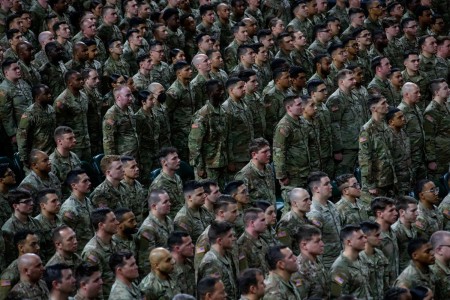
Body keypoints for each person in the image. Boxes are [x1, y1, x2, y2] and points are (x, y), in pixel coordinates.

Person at [188, 79, 228, 187]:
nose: (222, 92)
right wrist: (200, 167)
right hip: (207, 165)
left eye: (222, 90)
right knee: (207, 196)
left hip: (221, 162)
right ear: (211, 93)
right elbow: (194, 144)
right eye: (218, 90)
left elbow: (226, 138)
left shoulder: (222, 112)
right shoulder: (202, 115)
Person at [326, 69, 366, 176]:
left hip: (357, 143)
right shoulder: (336, 99)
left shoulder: (355, 95)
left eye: (354, 78)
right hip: (346, 148)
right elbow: (334, 126)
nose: (354, 81)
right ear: (341, 82)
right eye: (351, 79)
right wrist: (337, 150)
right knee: (344, 176)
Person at [359, 94, 396, 201]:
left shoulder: (385, 125)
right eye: (383, 103)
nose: (387, 105)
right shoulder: (367, 130)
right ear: (374, 108)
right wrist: (370, 184)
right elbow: (365, 159)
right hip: (376, 180)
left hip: (388, 177)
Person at [273, 95, 313, 188]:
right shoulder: (284, 126)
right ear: (288, 108)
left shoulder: (302, 121)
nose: (302, 107)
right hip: (293, 174)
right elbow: (278, 152)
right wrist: (282, 176)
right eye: (298, 104)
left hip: (306, 171)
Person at [307, 171, 342, 270]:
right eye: (326, 184)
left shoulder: (330, 204)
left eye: (330, 183)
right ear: (316, 189)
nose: (331, 186)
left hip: (338, 258)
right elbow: (313, 242)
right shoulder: (314, 212)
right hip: (326, 264)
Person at [53, 69, 91, 161]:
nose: (82, 81)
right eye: (78, 80)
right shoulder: (62, 100)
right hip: (72, 143)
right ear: (70, 82)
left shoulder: (84, 96)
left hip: (86, 140)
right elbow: (59, 125)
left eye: (82, 79)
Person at [81, 208, 119, 299]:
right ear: (101, 225)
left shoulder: (113, 242)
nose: (117, 222)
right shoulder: (92, 251)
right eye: (112, 220)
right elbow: (94, 284)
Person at [16, 84, 56, 169]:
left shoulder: (51, 109)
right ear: (37, 97)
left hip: (52, 152)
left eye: (50, 93)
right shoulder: (30, 113)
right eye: (46, 94)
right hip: (37, 155)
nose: (50, 95)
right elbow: (22, 137)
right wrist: (24, 158)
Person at [198, 221, 238, 300]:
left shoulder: (227, 255)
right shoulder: (211, 262)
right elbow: (212, 294)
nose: (234, 238)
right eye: (230, 236)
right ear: (219, 241)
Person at [222, 77, 254, 176]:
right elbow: (226, 136)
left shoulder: (244, 103)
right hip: (237, 156)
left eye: (244, 86)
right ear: (231, 90)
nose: (244, 89)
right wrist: (230, 160)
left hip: (248, 152)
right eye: (240, 87)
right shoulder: (226, 108)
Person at [137, 189, 173, 275]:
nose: (169, 204)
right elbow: (146, 262)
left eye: (169, 201)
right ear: (154, 206)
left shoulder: (168, 219)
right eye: (165, 202)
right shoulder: (147, 229)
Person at [1, 189, 42, 265]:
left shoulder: (35, 222)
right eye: (26, 202)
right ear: (15, 206)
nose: (32, 204)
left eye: (31, 201)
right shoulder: (8, 229)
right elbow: (10, 257)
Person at [330, 225, 371, 299]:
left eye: (364, 237)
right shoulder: (340, 267)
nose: (365, 240)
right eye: (360, 238)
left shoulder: (362, 259)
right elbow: (337, 296)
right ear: (349, 242)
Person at [165, 61, 196, 161]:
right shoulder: (174, 91)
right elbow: (167, 111)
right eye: (187, 70)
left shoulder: (190, 86)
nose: (191, 71)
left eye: (190, 69)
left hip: (191, 128)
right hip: (180, 132)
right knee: (183, 158)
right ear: (179, 73)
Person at [398, 82, 427, 184]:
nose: (419, 95)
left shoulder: (415, 107)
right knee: (410, 184)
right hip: (410, 156)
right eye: (416, 92)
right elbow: (400, 136)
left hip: (420, 153)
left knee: (421, 183)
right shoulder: (401, 111)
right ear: (406, 94)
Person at [0, 58, 32, 150]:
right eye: (14, 69)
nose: (18, 70)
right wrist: (13, 135)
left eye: (18, 68)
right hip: (20, 130)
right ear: (6, 72)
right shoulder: (3, 89)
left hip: (31, 126)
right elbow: (6, 115)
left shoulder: (23, 83)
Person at [59, 169, 95, 252]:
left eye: (88, 180)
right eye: (85, 181)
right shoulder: (69, 208)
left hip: (91, 248)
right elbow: (66, 237)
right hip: (79, 251)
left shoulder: (87, 200)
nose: (89, 183)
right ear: (74, 185)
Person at [291, 224, 329, 299]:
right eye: (317, 241)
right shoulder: (299, 270)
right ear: (304, 245)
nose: (322, 244)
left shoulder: (317, 260)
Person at [0, 230, 40, 298]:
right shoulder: (10, 274)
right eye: (33, 244)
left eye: (37, 244)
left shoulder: (39, 265)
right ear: (21, 248)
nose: (38, 247)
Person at [423, 78, 450, 181]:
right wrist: (431, 160)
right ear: (436, 92)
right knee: (439, 185)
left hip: (446, 154)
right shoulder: (431, 111)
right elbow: (429, 137)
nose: (449, 90)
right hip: (439, 157)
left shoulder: (445, 105)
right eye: (445, 88)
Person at [235, 138, 276, 205]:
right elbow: (240, 203)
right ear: (254, 155)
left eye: (269, 151)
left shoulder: (268, 168)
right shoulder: (244, 175)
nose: (269, 154)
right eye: (265, 152)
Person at [102, 85, 139, 157]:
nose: (131, 98)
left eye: (131, 95)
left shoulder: (129, 109)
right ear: (118, 97)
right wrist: (112, 161)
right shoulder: (111, 115)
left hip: (134, 154)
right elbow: (108, 141)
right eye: (127, 96)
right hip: (123, 157)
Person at [149, 147, 184, 218]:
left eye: (178, 157)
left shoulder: (177, 177)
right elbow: (155, 211)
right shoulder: (158, 184)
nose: (179, 160)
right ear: (164, 162)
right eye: (174, 159)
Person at [359, 221, 390, 300]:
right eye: (377, 235)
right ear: (365, 237)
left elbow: (385, 282)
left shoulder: (380, 254)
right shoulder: (357, 258)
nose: (381, 238)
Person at [386, 107, 413, 196]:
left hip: (407, 176)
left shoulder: (403, 132)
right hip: (396, 179)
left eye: (403, 116)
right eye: (399, 117)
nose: (403, 119)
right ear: (391, 122)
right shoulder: (387, 137)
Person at [373, 196, 400, 285]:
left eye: (395, 210)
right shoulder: (372, 236)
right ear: (380, 214)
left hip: (394, 282)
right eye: (391, 210)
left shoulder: (392, 231)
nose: (396, 213)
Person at [276, 188, 311, 255]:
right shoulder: (286, 224)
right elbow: (285, 252)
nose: (310, 202)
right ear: (295, 203)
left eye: (309, 199)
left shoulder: (304, 218)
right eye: (305, 200)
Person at [49, 126, 82, 194]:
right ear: (60, 141)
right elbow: (54, 189)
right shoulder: (52, 162)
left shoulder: (73, 155)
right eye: (70, 138)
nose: (75, 140)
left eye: (74, 137)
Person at [33, 188, 62, 263]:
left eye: (58, 200)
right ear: (43, 205)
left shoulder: (60, 219)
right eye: (53, 201)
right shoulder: (36, 224)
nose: (58, 203)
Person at [237, 208, 270, 274]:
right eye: (262, 220)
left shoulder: (262, 239)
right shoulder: (242, 245)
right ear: (252, 223)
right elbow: (245, 274)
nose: (266, 223)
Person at [392, 196, 419, 272]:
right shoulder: (395, 230)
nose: (417, 213)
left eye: (416, 210)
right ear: (402, 212)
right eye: (413, 211)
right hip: (402, 273)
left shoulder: (413, 227)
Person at [119, 156, 146, 224]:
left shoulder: (138, 185)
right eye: (132, 167)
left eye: (136, 166)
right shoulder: (119, 188)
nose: (137, 169)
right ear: (123, 170)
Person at [168, 231, 195, 296]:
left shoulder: (188, 263)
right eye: (189, 244)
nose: (193, 246)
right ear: (177, 248)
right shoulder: (169, 269)